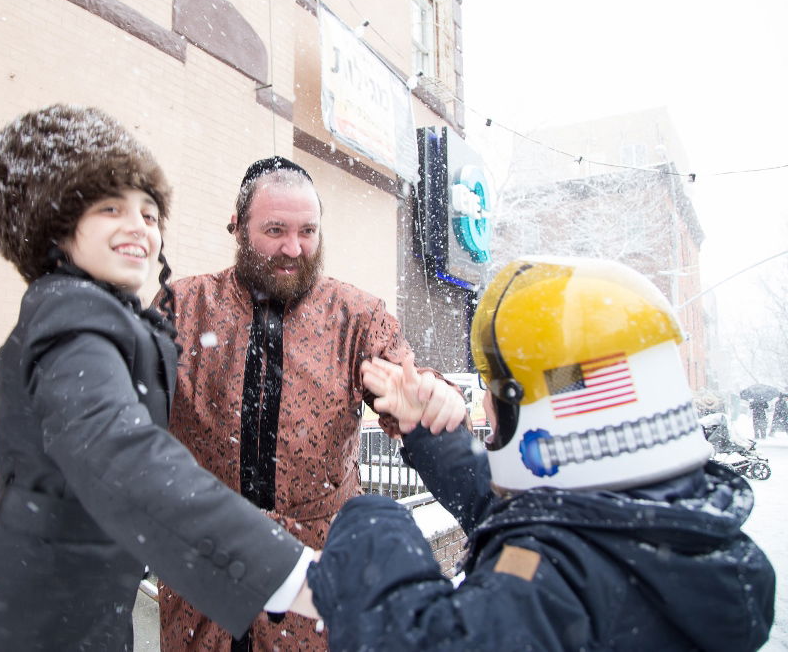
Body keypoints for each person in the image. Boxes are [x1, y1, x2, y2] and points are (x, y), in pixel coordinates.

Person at [0, 107, 318, 651]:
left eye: (149, 213)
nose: (139, 226)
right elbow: (120, 456)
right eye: (111, 208)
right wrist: (296, 575)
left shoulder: (99, 314)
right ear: (56, 222)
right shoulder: (72, 320)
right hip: (30, 625)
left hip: (70, 612)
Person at [307, 256, 776, 651]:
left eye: (497, 389)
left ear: (552, 416)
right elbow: (504, 502)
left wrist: (370, 519)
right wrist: (423, 430)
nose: (485, 403)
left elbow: (409, 636)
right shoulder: (664, 534)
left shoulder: (548, 591)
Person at [157, 156, 467, 651]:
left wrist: (434, 398)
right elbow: (128, 406)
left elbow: (403, 382)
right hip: (205, 571)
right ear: (237, 227)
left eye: (307, 231)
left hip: (315, 579)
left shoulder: (356, 316)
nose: (293, 248)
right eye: (275, 230)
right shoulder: (183, 308)